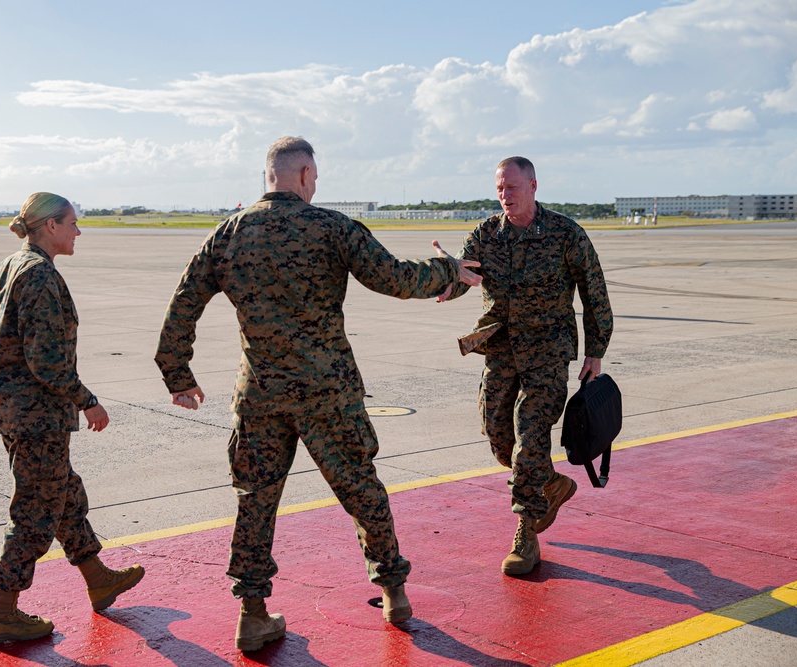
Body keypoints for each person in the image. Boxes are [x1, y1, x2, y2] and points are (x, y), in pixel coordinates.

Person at [155, 136, 482, 652]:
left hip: (260, 394)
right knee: (360, 489)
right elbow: (394, 278)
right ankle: (395, 593)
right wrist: (450, 272)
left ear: (270, 175)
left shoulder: (229, 234)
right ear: (305, 174)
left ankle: (253, 613)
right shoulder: (332, 227)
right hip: (327, 392)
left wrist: (177, 373)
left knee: (255, 500)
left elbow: (183, 304)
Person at [0, 192, 144, 644]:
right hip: (37, 414)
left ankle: (98, 577)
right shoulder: (40, 276)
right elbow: (45, 359)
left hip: (12, 410)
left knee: (63, 493)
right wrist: (87, 400)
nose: (78, 232)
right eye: (72, 224)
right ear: (49, 226)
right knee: (34, 511)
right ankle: (2, 612)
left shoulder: (7, 267)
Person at [438, 157, 613, 576]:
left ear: (533, 185)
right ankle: (551, 485)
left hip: (547, 354)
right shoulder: (486, 234)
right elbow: (465, 277)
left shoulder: (565, 233)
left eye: (513, 187)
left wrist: (595, 350)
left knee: (529, 437)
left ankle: (526, 534)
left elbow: (595, 291)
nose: (505, 195)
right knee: (500, 439)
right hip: (500, 350)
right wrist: (444, 275)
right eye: (500, 188)